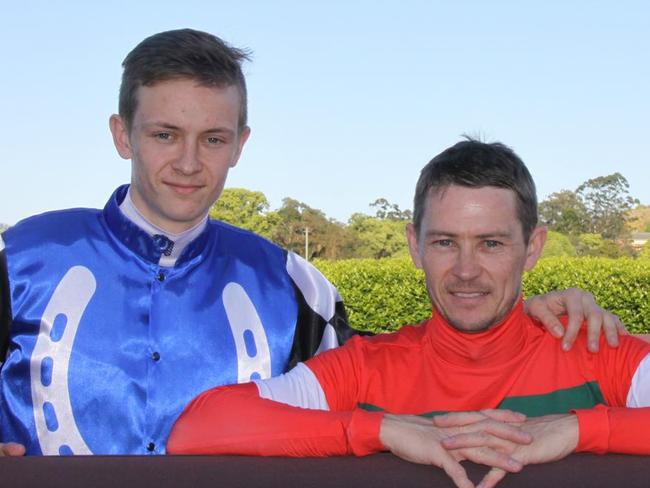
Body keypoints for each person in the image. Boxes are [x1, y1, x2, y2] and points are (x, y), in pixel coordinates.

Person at [0, 29, 621, 456]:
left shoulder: (293, 284)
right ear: (122, 134)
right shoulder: (20, 260)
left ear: (241, 144)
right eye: (165, 134)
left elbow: (416, 376)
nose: (189, 163)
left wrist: (537, 307)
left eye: (213, 139)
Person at [167, 139, 650, 488]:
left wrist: (580, 428)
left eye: (491, 244)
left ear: (532, 248)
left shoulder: (589, 347)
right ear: (414, 246)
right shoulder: (367, 367)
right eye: (444, 242)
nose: (465, 271)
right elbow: (198, 428)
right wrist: (380, 430)